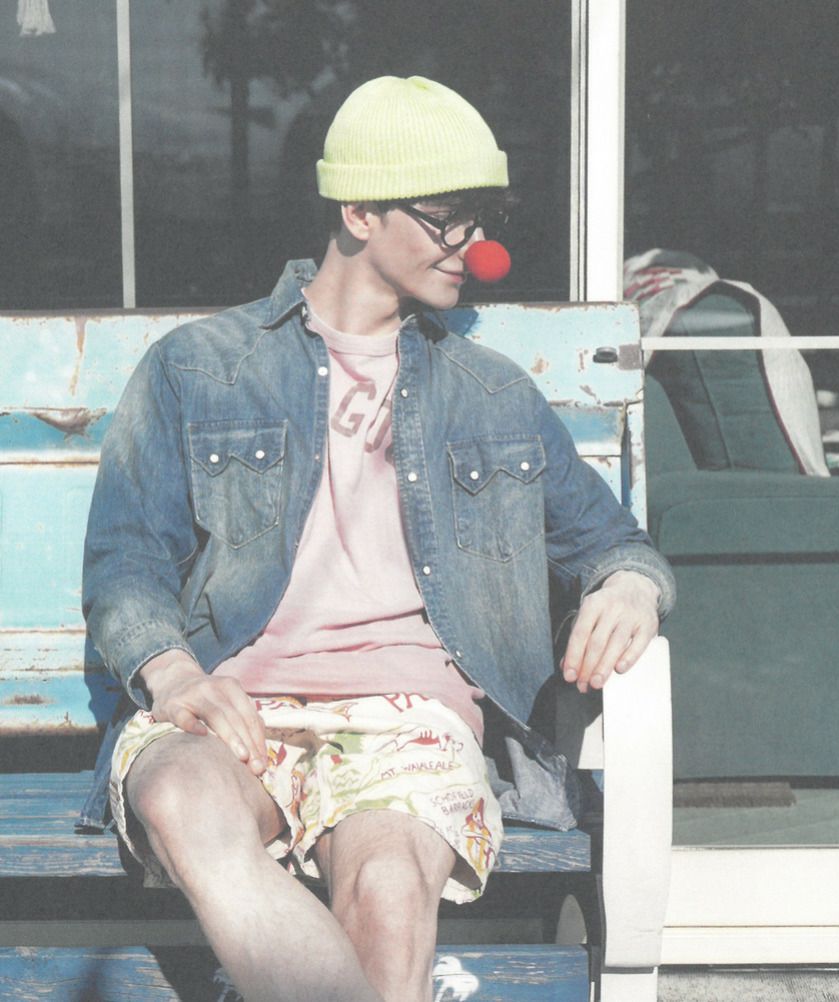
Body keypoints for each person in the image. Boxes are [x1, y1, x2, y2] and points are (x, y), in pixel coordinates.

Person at [80, 75, 674, 1002]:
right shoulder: (198, 369)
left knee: (390, 890)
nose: (474, 245)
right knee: (183, 799)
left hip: (410, 717)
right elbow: (125, 563)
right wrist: (175, 674)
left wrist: (630, 586)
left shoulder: (492, 395)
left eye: (484, 218)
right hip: (233, 701)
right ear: (358, 212)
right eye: (447, 217)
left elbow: (614, 543)